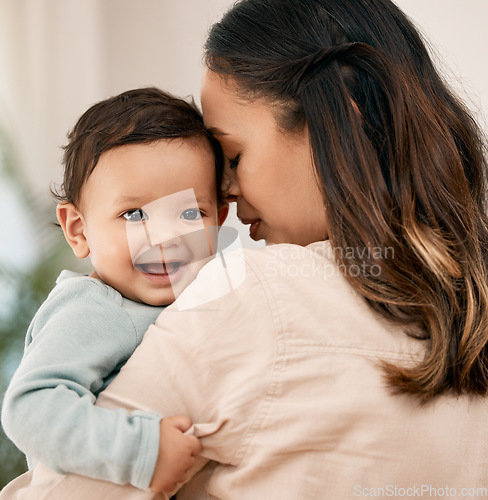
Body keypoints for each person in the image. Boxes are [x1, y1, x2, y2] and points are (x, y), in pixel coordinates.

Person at [2, 0, 488, 498]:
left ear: (336, 125)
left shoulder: (255, 295)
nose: (227, 195)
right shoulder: (469, 314)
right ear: (76, 227)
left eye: (232, 157)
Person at [1, 87, 229, 493]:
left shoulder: (206, 296)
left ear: (219, 219)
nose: (165, 237)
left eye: (190, 212)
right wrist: (140, 450)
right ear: (78, 229)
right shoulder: (95, 309)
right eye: (134, 214)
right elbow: (29, 409)